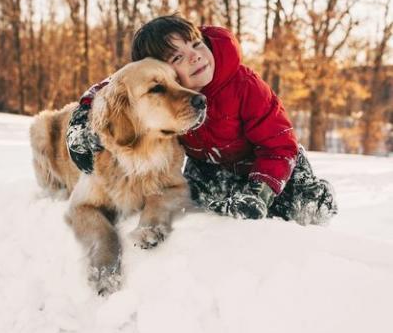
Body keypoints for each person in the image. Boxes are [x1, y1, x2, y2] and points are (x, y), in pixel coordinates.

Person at [67, 15, 337, 225]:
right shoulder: (168, 94)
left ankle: (313, 201)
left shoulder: (246, 87)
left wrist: (260, 191)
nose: (195, 55)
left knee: (292, 205)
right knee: (192, 201)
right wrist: (82, 118)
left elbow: (279, 144)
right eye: (177, 57)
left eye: (196, 44)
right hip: (210, 165)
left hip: (273, 163)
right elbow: (115, 86)